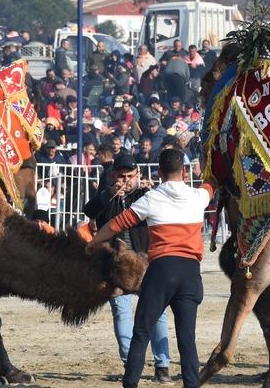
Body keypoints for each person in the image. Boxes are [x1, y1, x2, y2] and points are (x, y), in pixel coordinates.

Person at [87, 149, 213, 388]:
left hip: (161, 270)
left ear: (159, 172)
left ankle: (131, 382)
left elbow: (116, 224)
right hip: (190, 273)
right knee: (187, 338)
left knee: (142, 331)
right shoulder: (199, 196)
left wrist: (93, 242)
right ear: (184, 172)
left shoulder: (151, 198)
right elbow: (211, 185)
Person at [83, 154, 172, 384]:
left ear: (138, 175)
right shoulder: (107, 196)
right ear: (114, 176)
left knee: (158, 314)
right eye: (121, 176)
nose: (125, 181)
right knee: (121, 312)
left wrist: (152, 188)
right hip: (116, 267)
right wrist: (108, 195)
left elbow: (166, 203)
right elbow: (89, 210)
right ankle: (129, 363)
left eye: (129, 176)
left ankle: (162, 366)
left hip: (146, 263)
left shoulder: (147, 196)